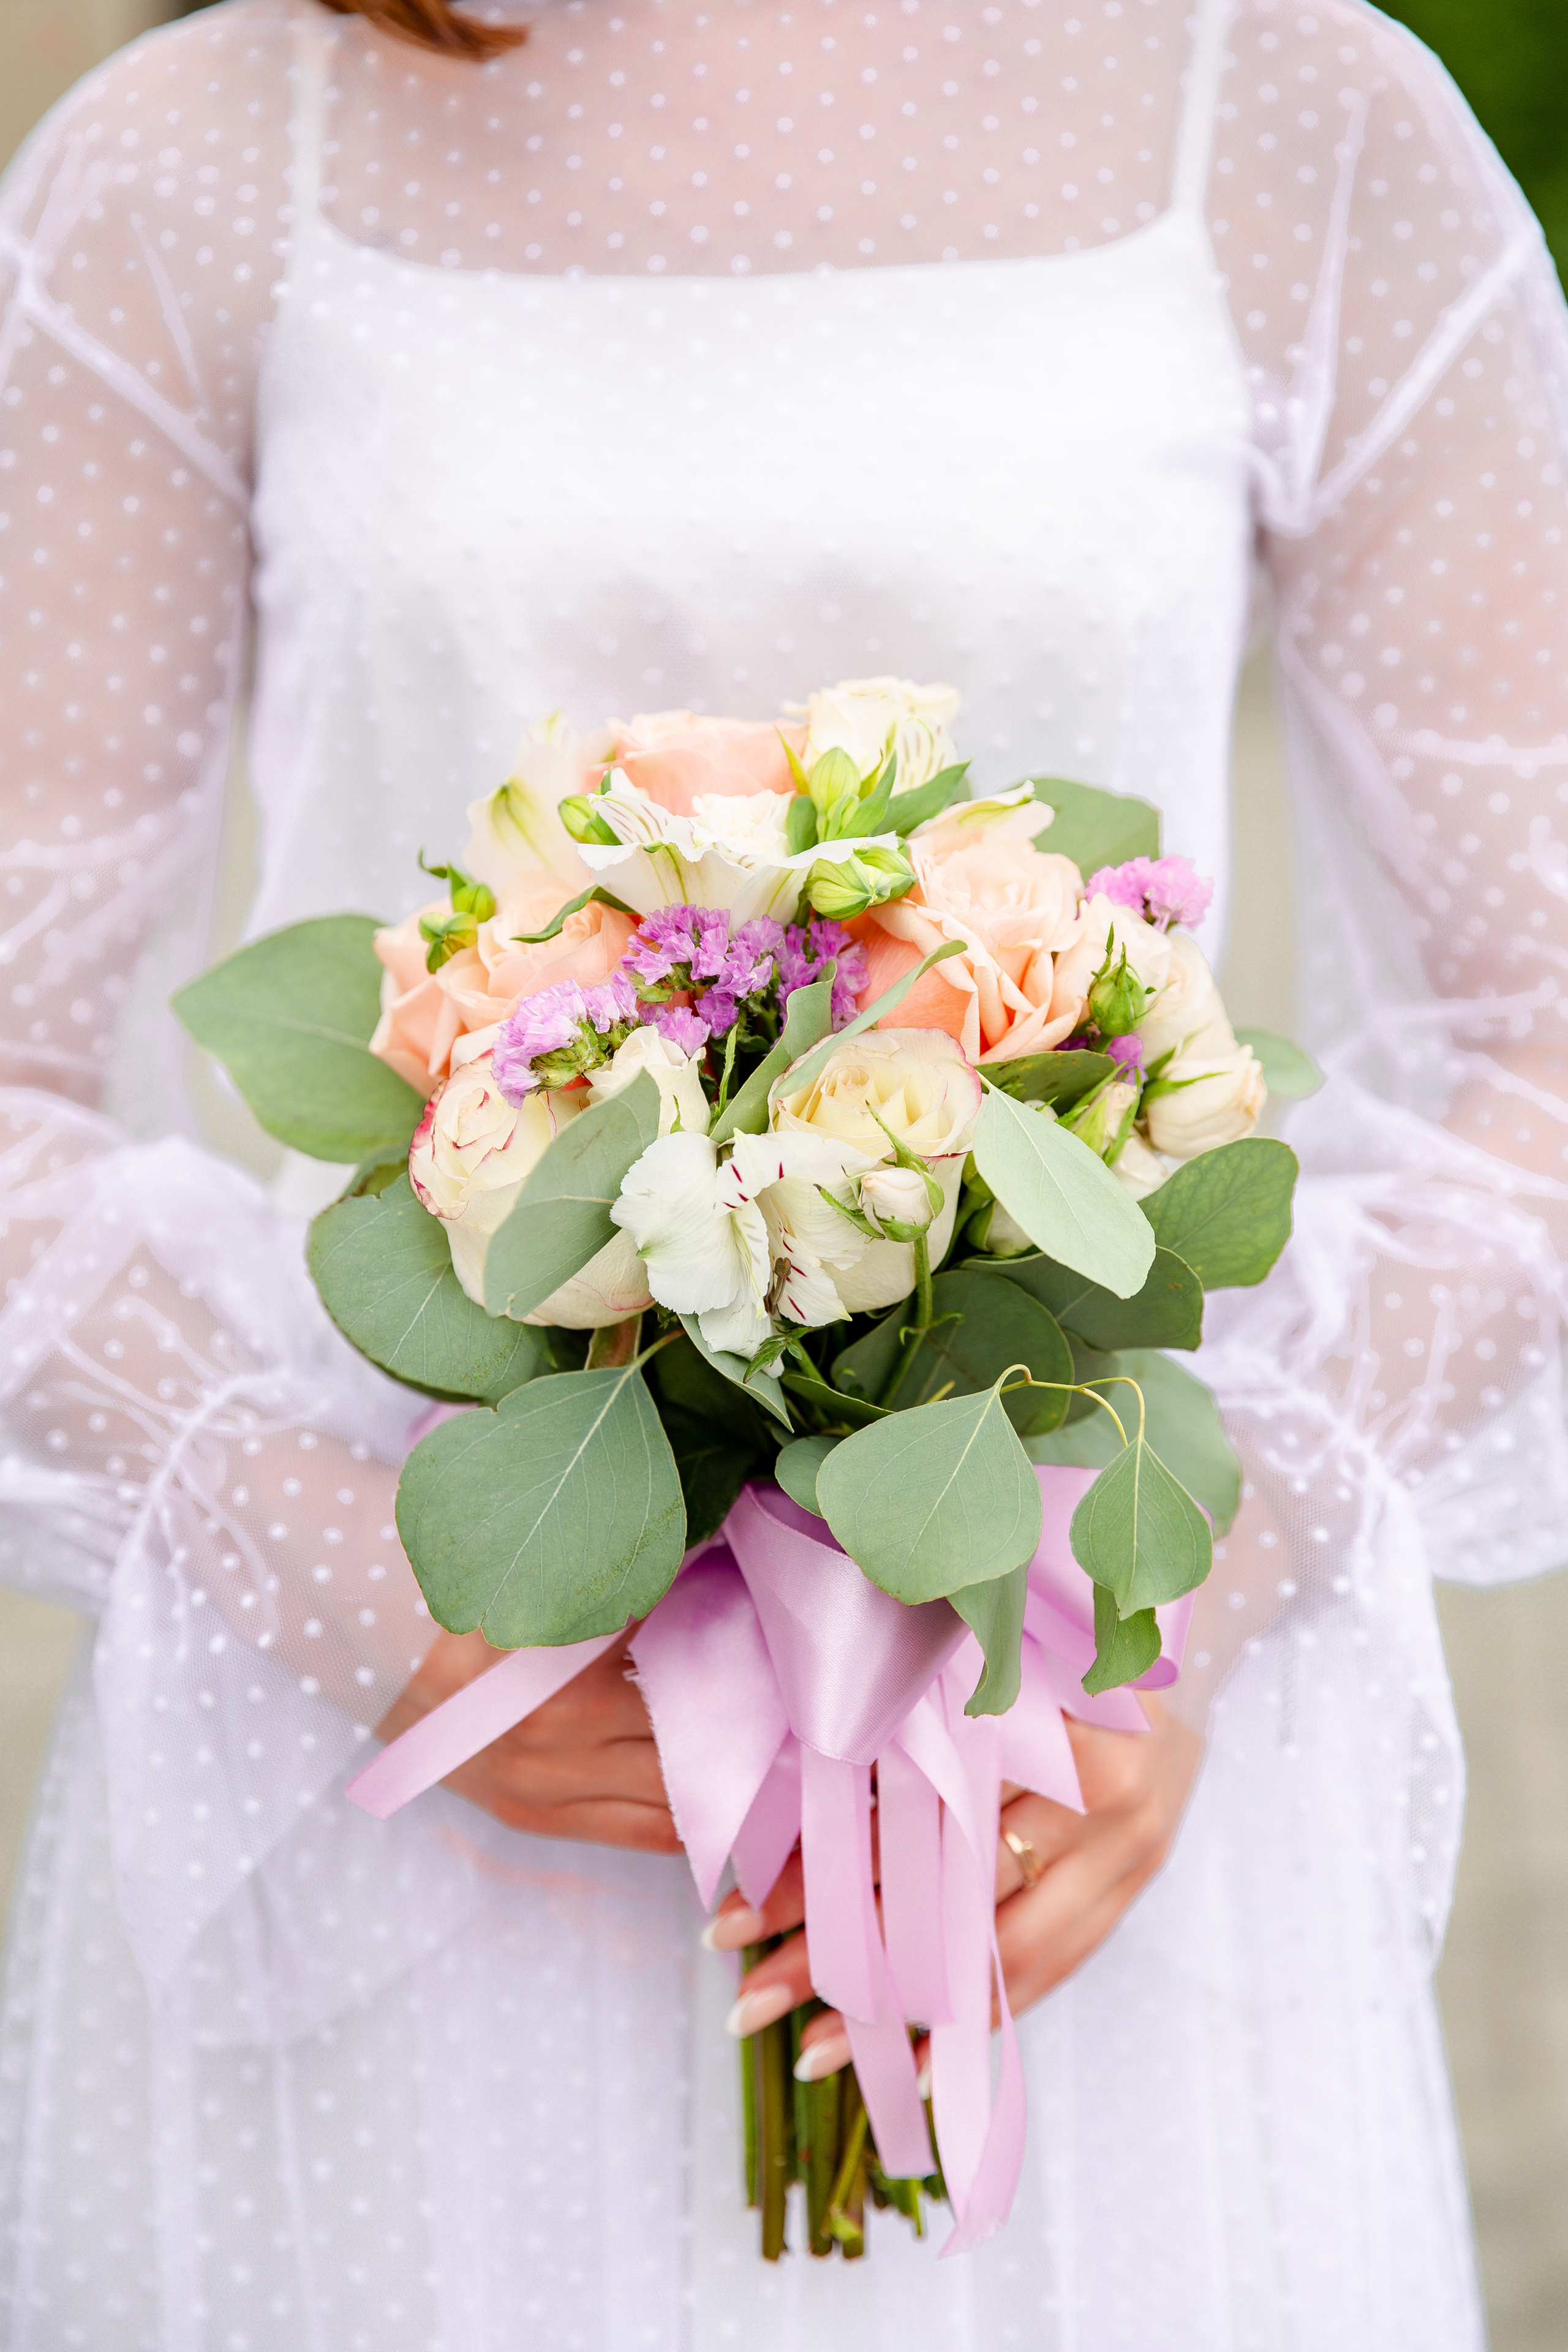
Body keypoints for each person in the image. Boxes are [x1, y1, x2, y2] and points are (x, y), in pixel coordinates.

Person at [1, 0, 1564, 2341]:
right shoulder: (214, 155)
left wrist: (1163, 1623)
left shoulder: (1293, 104)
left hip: (1061, 1792)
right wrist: (370, 1613)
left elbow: (1537, 1040)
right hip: (445, 1785)